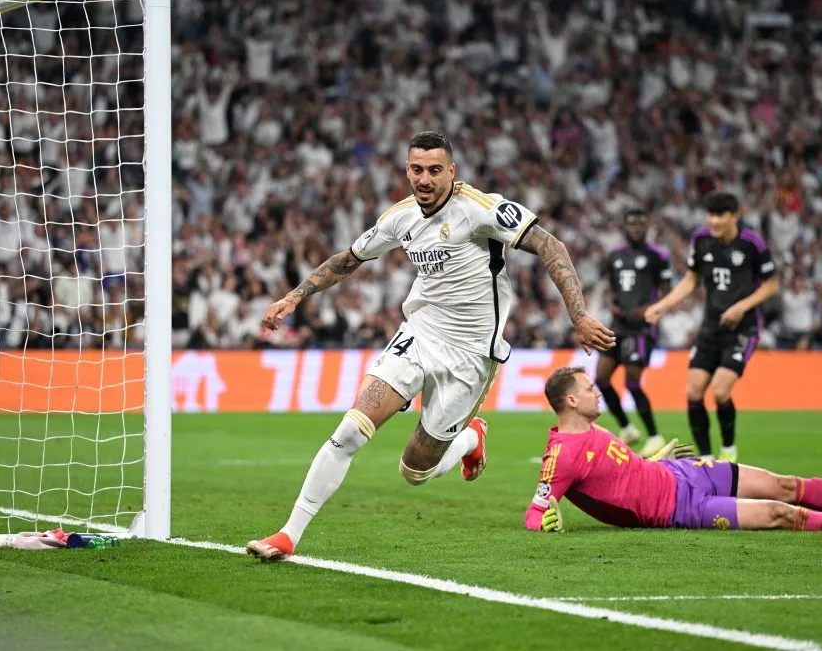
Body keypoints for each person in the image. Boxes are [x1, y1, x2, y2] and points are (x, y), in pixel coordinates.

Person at [247, 131, 616, 561]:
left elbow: (551, 246)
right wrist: (294, 297)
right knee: (351, 430)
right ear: (407, 169)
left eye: (434, 170)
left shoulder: (482, 210)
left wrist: (578, 315)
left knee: (415, 471)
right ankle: (289, 535)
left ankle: (469, 440)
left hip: (472, 356)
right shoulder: (400, 218)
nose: (424, 179)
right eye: (416, 169)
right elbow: (348, 259)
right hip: (419, 334)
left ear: (452, 172)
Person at [525, 367, 822, 534]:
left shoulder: (592, 429)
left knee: (785, 484)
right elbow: (535, 512)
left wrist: (658, 459)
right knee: (780, 513)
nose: (598, 392)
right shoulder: (562, 455)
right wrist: (546, 522)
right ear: (571, 402)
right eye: (590, 389)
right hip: (680, 509)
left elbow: (621, 479)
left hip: (684, 473)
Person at [646, 192, 779, 462]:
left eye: (719, 215)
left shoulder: (751, 242)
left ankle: (728, 449)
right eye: (710, 215)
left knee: (720, 390)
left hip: (744, 329)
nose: (713, 221)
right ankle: (706, 457)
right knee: (693, 391)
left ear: (734, 217)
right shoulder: (701, 239)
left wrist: (743, 306)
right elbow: (691, 280)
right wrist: (663, 305)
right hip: (711, 327)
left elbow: (771, 284)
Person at [596, 209, 673, 457]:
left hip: (640, 329)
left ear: (647, 226)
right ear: (625, 226)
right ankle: (627, 428)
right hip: (617, 325)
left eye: (641, 223)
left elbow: (667, 291)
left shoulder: (657, 256)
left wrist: (650, 309)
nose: (636, 228)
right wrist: (611, 304)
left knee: (632, 382)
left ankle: (654, 435)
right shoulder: (615, 255)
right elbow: (610, 286)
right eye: (632, 223)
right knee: (601, 379)